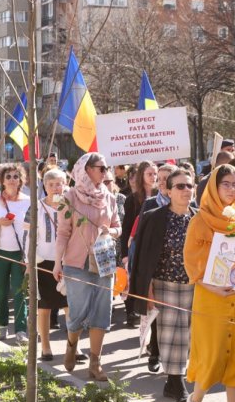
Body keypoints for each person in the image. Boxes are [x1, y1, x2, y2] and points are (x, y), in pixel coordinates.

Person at [181, 163, 235, 402]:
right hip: (211, 299)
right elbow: (191, 264)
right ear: (213, 185)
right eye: (226, 183)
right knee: (211, 360)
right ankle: (196, 401)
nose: (232, 189)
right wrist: (212, 286)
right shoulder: (200, 219)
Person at [130, 167, 197, 402]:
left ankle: (172, 382)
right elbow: (144, 257)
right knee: (170, 336)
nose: (186, 190)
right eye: (180, 186)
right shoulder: (155, 217)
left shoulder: (198, 218)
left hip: (192, 286)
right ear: (168, 191)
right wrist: (145, 290)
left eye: (190, 185)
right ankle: (178, 385)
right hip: (163, 284)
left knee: (187, 336)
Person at [53, 153, 122, 382]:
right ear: (86, 169)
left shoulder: (109, 197)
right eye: (100, 168)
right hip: (75, 263)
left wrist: (109, 232)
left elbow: (117, 227)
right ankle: (72, 344)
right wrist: (57, 262)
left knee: (102, 312)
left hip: (104, 262)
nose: (105, 172)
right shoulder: (70, 197)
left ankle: (95, 362)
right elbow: (62, 233)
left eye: (106, 169)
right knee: (78, 311)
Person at [0, 164, 30, 339]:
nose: (12, 180)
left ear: (21, 180)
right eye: (8, 176)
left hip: (20, 253)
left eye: (16, 176)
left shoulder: (28, 200)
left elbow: (33, 227)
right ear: (1, 180)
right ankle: (1, 325)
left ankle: (20, 330)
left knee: (20, 292)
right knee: (1, 291)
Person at [33, 168, 69, 361]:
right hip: (43, 261)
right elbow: (27, 235)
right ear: (44, 186)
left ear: (65, 185)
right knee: (44, 307)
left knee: (70, 307)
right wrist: (31, 259)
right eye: (51, 184)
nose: (55, 188)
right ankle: (45, 347)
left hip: (68, 262)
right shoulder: (36, 207)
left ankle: (73, 347)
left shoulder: (71, 207)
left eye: (59, 184)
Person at [120, 160, 157, 327]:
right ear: (141, 176)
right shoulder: (132, 199)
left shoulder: (162, 196)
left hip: (153, 248)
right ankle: (131, 313)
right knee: (133, 279)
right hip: (136, 247)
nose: (154, 177)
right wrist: (125, 255)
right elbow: (126, 229)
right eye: (150, 174)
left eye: (155, 174)